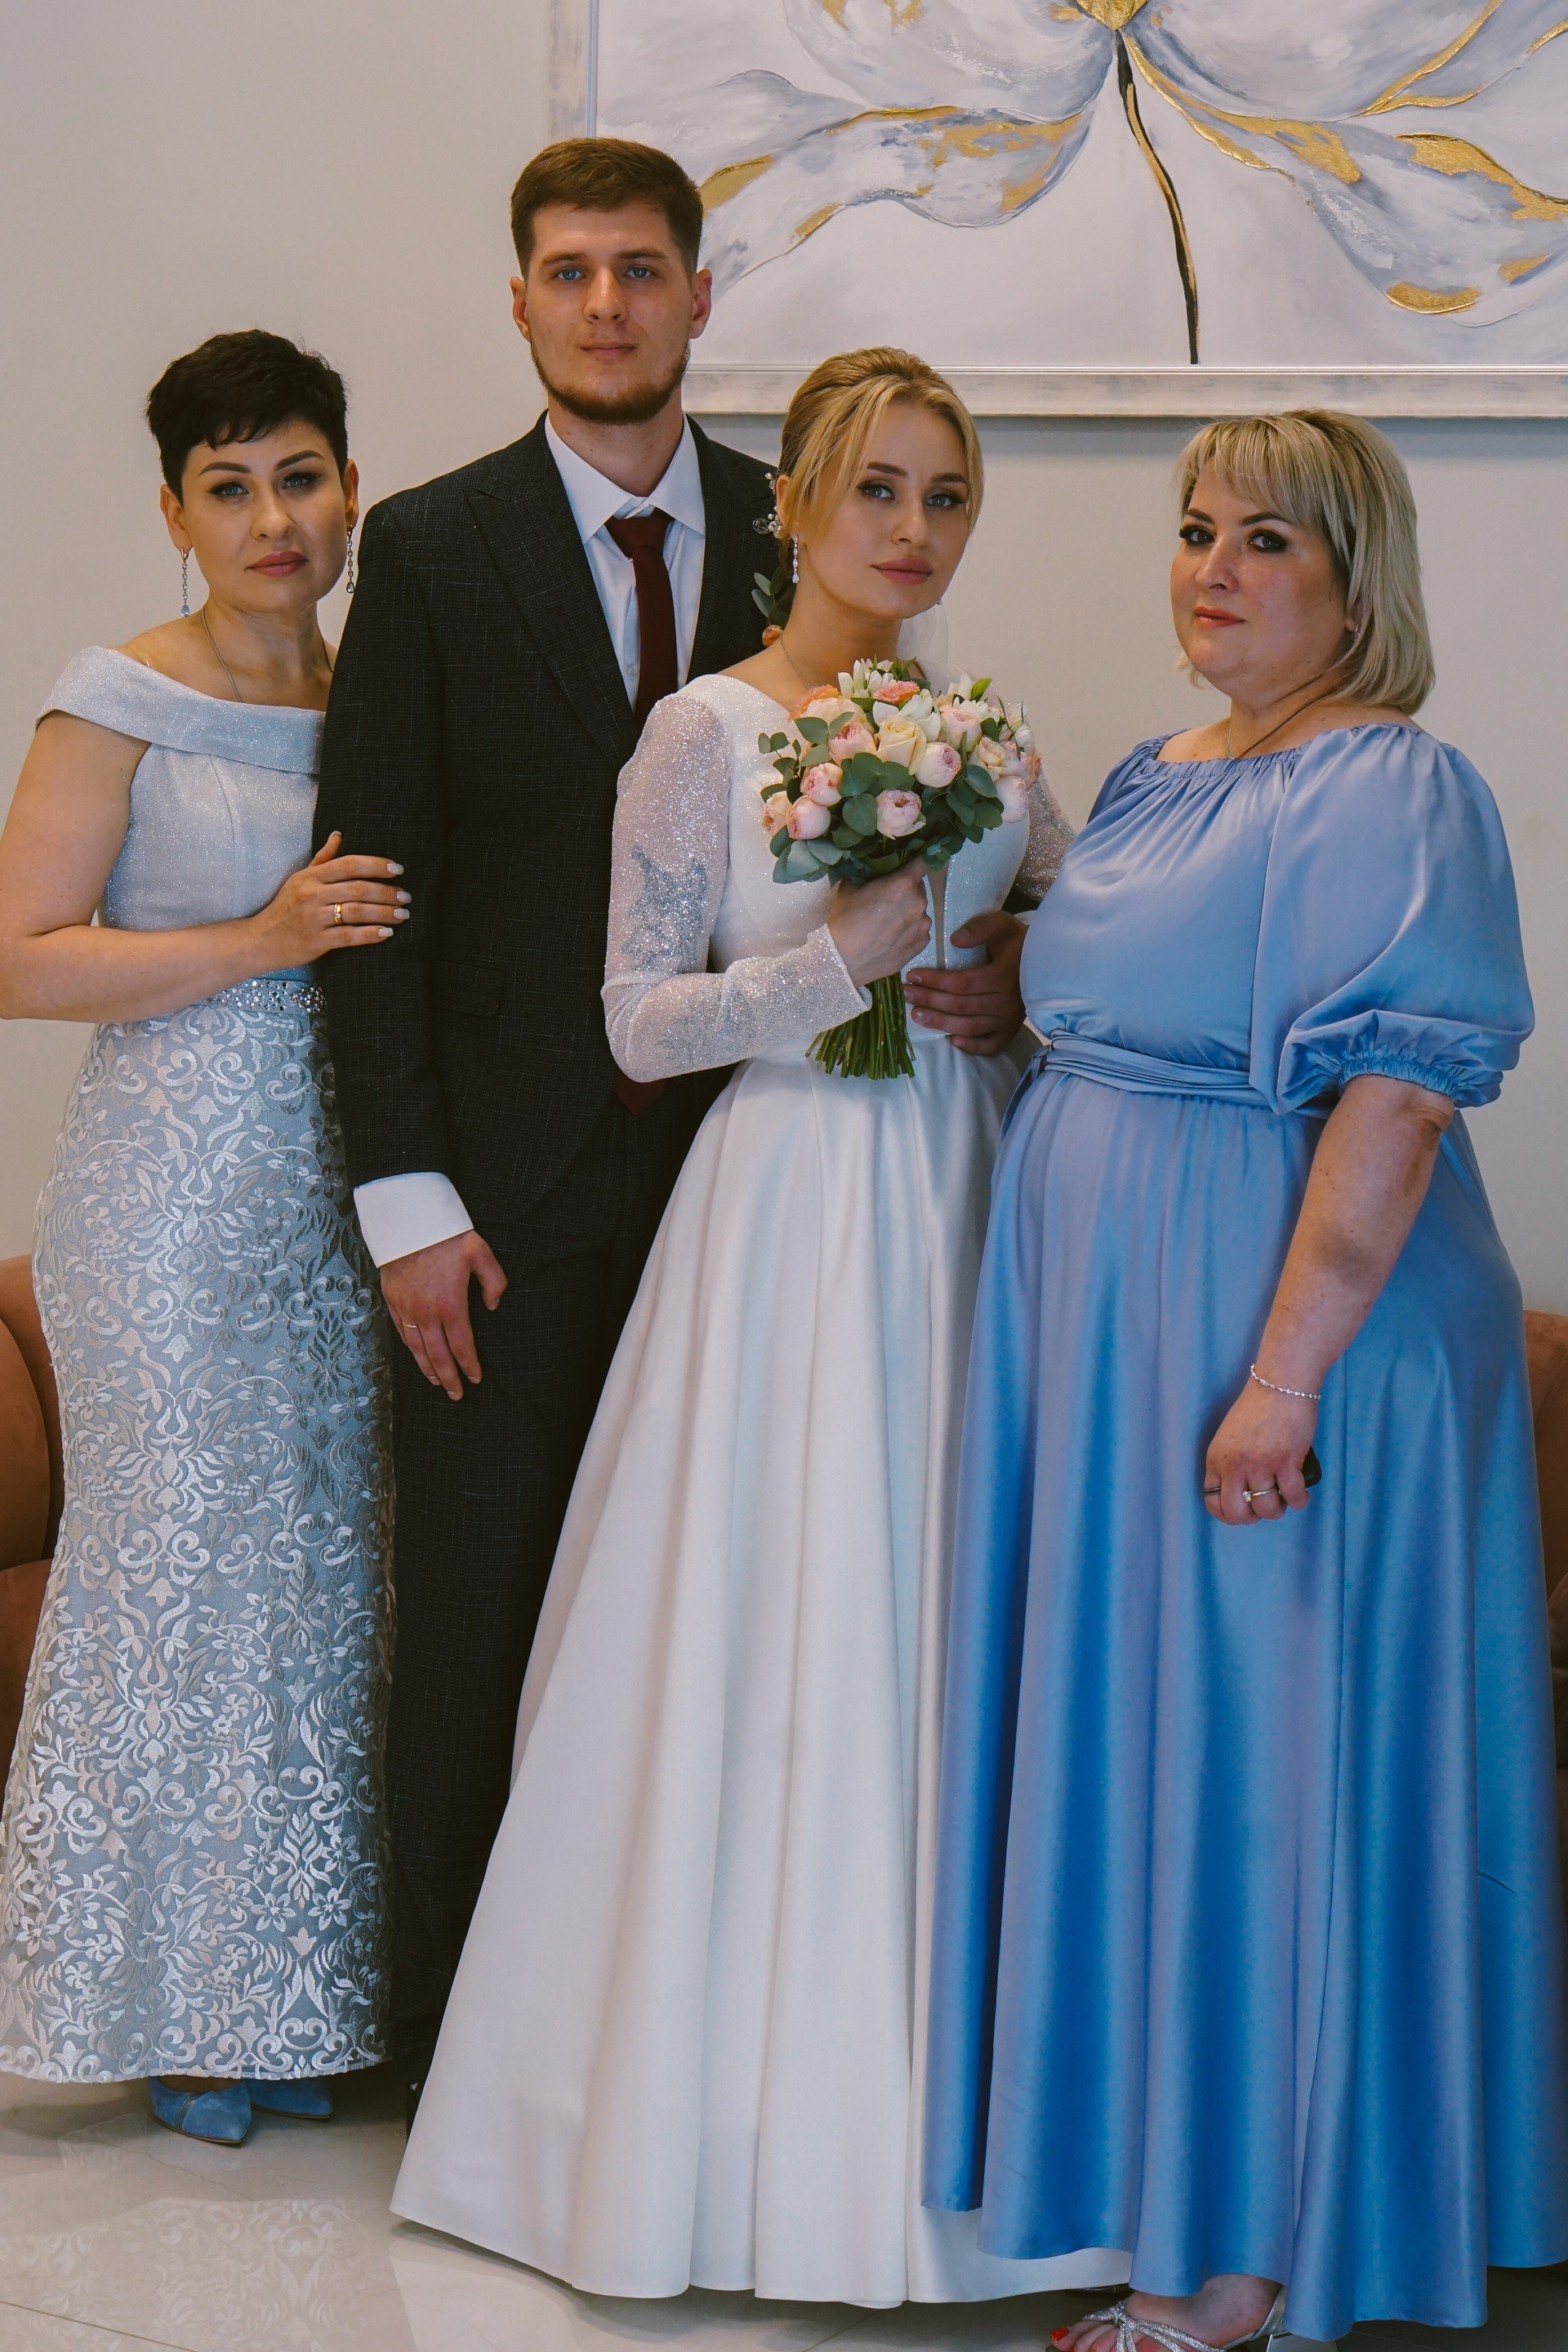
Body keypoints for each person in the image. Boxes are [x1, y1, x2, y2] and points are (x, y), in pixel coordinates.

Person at [390, 346, 1107, 2310]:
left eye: (946, 496)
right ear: (791, 505)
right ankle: (694, 2146)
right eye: (877, 488)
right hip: (784, 1205)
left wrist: (1015, 982)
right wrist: (834, 963)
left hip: (959, 1198)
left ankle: (959, 2141)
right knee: (765, 1622)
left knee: (941, 1612)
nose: (913, 530)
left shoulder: (983, 729)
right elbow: (637, 1021)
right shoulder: (700, 731)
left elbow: (1081, 932)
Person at [313, 142, 1021, 2122]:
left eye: (641, 269)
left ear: (702, 296)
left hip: (789, 1178)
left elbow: (953, 841)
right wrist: (406, 1195)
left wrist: (1002, 974)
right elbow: (375, 890)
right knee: (488, 1615)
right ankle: (471, 2074)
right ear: (521, 301)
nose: (607, 303)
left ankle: (744, 2058)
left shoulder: (815, 515)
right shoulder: (434, 547)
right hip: (514, 1185)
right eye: (569, 271)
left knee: (753, 1616)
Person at [922, 410, 1568, 2350]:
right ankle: (1168, 2185)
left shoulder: (1396, 784)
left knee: (1269, 1771)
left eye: (1266, 538)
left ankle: (1251, 2257)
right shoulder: (1155, 770)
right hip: (1125, 1328)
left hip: (1291, 1335)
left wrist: (1283, 1379)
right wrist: (1013, 982)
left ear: (1357, 580)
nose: (1213, 568)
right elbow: (1153, 997)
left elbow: (1397, 1098)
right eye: (1196, 529)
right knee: (1164, 1759)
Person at [0, 332, 401, 2146]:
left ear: (348, 490)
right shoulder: (117, 698)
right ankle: (153, 2003)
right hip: (165, 1188)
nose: (270, 518)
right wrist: (263, 938)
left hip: (343, 1190)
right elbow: (21, 959)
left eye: (298, 477)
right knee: (170, 1571)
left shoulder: (384, 691)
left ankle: (290, 1996)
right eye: (228, 488)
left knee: (320, 1580)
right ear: (175, 511)